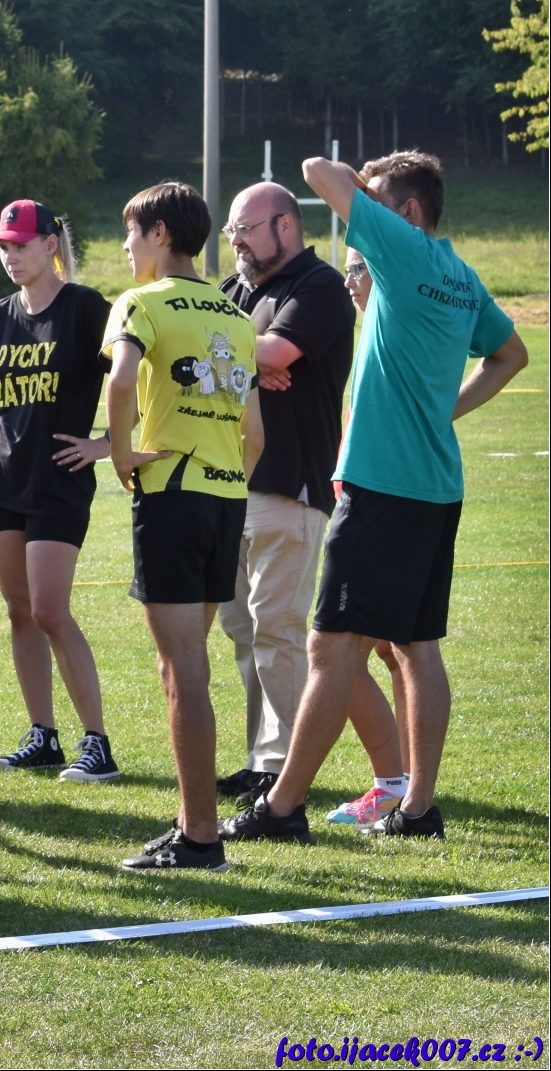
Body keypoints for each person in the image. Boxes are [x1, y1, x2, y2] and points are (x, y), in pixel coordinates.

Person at [222, 152, 527, 846]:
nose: (365, 217)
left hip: (384, 484)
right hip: (435, 485)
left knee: (331, 647)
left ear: (408, 212)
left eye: (380, 204)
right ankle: (416, 808)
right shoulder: (459, 273)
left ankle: (281, 807)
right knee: (417, 647)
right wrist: (443, 411)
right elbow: (511, 355)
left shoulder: (405, 248)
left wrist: (362, 185)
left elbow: (315, 170)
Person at [101, 181, 262, 872]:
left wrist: (120, 456)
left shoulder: (141, 302)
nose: (126, 246)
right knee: (185, 667)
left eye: (131, 233)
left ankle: (199, 838)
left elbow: (119, 382)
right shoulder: (237, 316)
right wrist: (227, 481)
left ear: (160, 233)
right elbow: (255, 434)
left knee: (183, 675)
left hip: (171, 496)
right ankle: (190, 823)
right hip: (225, 500)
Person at [211, 182, 355, 808]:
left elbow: (271, 351)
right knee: (243, 629)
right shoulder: (236, 288)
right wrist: (248, 362)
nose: (236, 241)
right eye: (232, 231)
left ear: (287, 225)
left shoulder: (319, 287)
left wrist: (239, 356)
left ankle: (284, 775)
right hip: (229, 480)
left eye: (246, 229)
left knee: (278, 630)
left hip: (291, 483)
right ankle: (262, 760)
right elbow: (206, 350)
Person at [0, 199, 120, 784]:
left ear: (50, 245)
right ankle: (43, 736)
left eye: (21, 245)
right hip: (1, 480)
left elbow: (138, 378)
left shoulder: (85, 308)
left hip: (59, 479)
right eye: (4, 247)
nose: (10, 257)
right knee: (20, 611)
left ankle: (97, 744)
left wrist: (106, 445)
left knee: (50, 610)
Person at [323, 249, 412, 826]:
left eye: (358, 268)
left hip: (380, 504)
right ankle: (411, 784)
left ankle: (392, 785)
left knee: (340, 650)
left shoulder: (394, 330)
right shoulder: (374, 334)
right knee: (392, 648)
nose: (349, 280)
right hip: (384, 500)